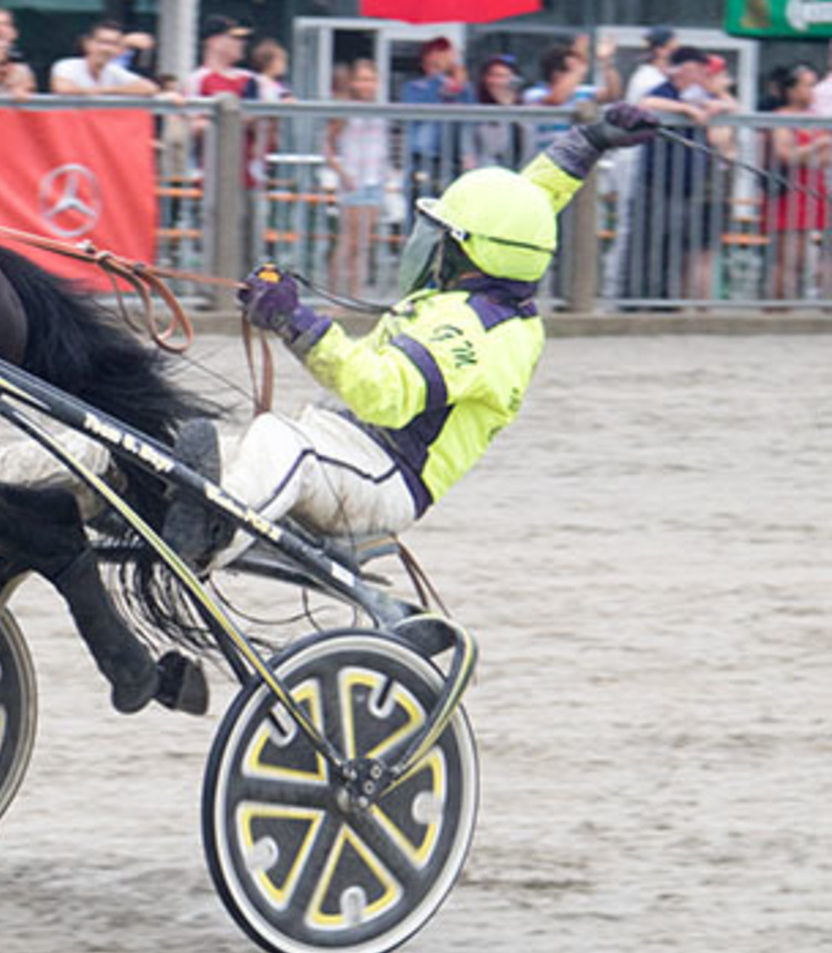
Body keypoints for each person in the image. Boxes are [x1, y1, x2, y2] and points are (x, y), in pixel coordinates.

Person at [156, 106, 661, 575]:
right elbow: (524, 205)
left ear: (470, 251)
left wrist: (294, 321)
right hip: (348, 446)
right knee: (224, 447)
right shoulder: (495, 268)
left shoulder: (481, 333)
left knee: (283, 442)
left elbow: (382, 394)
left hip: (384, 476)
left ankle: (204, 546)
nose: (428, 242)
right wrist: (591, 140)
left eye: (441, 233)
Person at [627, 45, 722, 303]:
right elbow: (645, 103)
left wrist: (714, 104)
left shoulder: (695, 94)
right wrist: (686, 110)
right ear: (685, 69)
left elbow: (729, 103)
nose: (704, 75)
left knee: (674, 247)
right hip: (658, 183)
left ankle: (666, 300)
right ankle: (640, 298)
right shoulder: (665, 90)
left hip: (687, 186)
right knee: (650, 245)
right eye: (699, 69)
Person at [322, 58, 393, 297]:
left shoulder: (382, 110)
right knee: (347, 241)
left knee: (363, 243)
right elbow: (327, 145)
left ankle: (356, 293)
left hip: (374, 180)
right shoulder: (346, 110)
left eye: (370, 79)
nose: (366, 84)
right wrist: (342, 172)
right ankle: (334, 294)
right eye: (361, 79)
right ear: (353, 82)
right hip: (353, 181)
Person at [764, 64, 829, 302]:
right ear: (791, 90)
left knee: (809, 255)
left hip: (815, 188)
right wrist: (815, 148)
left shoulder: (816, 118)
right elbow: (786, 154)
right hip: (789, 191)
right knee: (789, 256)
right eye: (807, 85)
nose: (812, 90)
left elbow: (823, 158)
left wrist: (808, 154)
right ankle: (778, 306)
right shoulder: (781, 117)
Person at [400, 36, 471, 196]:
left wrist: (461, 85)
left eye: (446, 53)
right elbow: (419, 110)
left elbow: (472, 112)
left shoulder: (460, 86)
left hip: (453, 156)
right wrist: (441, 81)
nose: (443, 58)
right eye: (439, 52)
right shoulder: (414, 87)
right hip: (424, 156)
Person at [471, 53, 529, 168]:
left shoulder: (524, 109)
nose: (497, 82)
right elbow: (492, 148)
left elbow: (527, 146)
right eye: (493, 75)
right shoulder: (476, 108)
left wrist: (508, 106)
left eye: (503, 76)